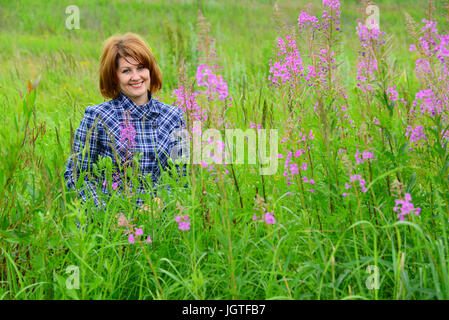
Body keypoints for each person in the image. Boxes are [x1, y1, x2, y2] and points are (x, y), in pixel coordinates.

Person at [64, 33, 187, 213]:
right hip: (108, 225)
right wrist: (108, 216)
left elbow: (183, 177)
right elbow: (75, 176)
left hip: (160, 222)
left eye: (141, 68)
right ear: (114, 77)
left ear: (150, 70)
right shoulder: (97, 116)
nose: (136, 76)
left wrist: (160, 203)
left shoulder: (173, 116)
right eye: (126, 71)